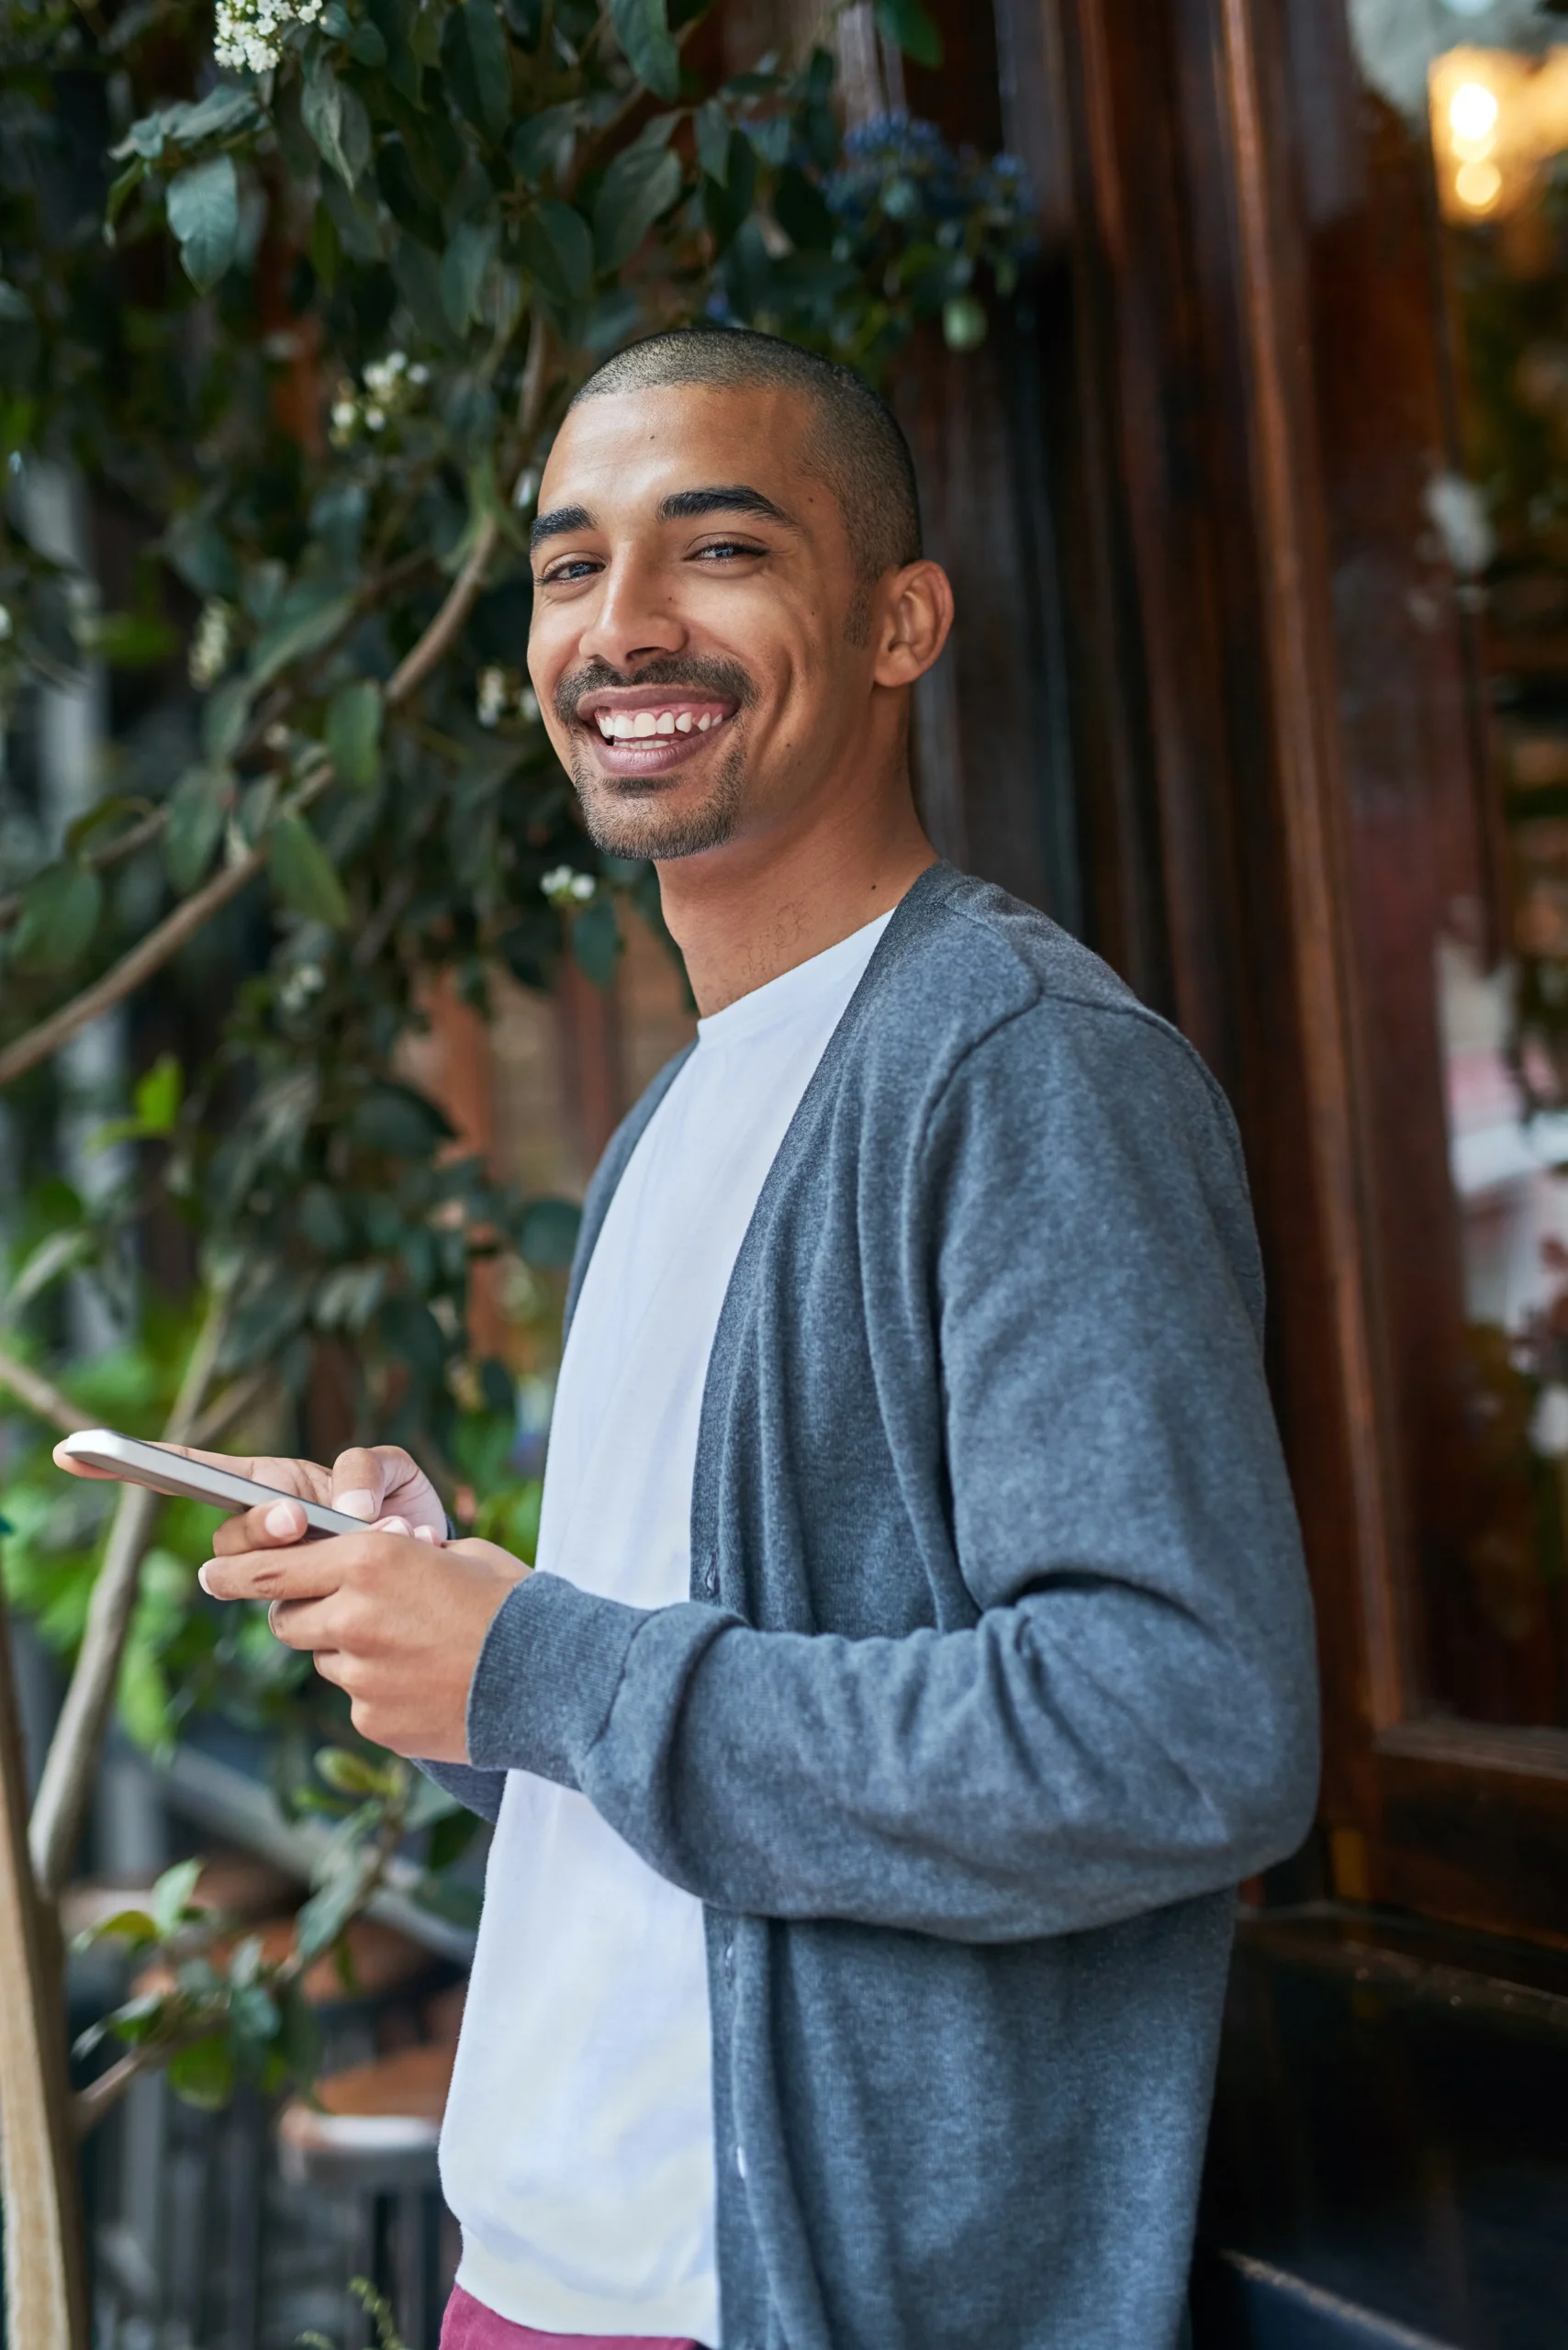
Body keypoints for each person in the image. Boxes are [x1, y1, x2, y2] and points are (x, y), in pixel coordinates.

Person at [63, 329, 1319, 2350]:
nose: (619, 625)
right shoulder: (678, 1115)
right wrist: (465, 1632)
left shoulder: (1015, 1071)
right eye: (567, 567)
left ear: (897, 617)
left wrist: (545, 1660)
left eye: (713, 548)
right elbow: (683, 1705)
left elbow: (1176, 1725)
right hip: (537, 2266)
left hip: (785, 2294)